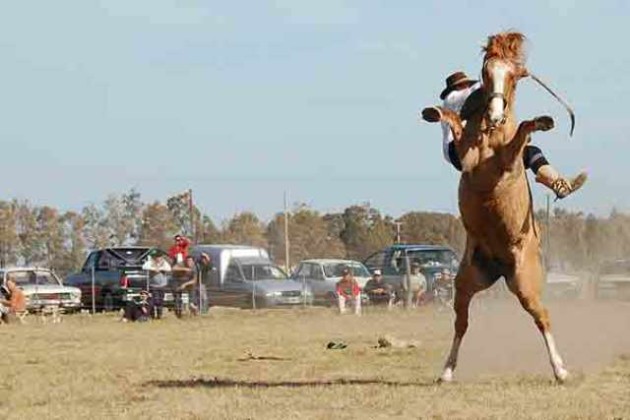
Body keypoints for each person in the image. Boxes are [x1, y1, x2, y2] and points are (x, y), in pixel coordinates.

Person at [437, 71, 587, 200]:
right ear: (461, 86)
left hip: (459, 153)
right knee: (524, 148)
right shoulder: (457, 97)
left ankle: (557, 183)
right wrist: (515, 74)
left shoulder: (451, 102)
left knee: (528, 153)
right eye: (465, 85)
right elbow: (494, 85)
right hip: (464, 147)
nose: (467, 86)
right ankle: (554, 181)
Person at [142, 250, 171, 319]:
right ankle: (152, 315)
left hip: (162, 285)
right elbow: (144, 267)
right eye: (156, 257)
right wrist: (153, 269)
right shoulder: (150, 262)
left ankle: (159, 315)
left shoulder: (164, 263)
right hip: (153, 285)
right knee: (153, 300)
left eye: (159, 257)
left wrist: (160, 269)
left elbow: (168, 269)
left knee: (160, 300)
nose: (158, 258)